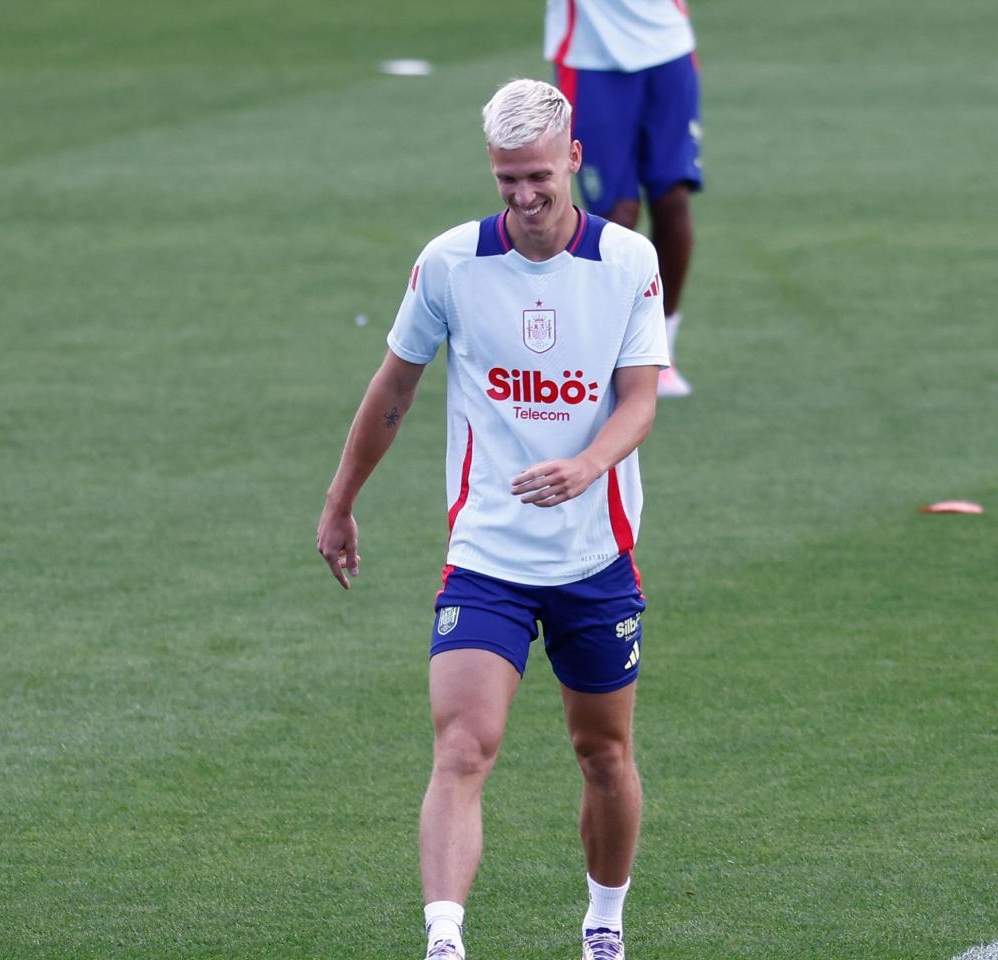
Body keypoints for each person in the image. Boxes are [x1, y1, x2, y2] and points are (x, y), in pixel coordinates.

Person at [315, 79, 667, 960]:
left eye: (539, 175)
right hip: (487, 559)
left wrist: (588, 466)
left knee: (603, 755)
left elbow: (639, 400)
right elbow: (393, 387)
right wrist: (340, 499)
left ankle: (604, 927)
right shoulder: (448, 264)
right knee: (464, 747)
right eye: (507, 178)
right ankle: (444, 941)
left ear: (574, 160)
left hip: (596, 558)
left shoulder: (628, 263)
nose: (523, 195)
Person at [546, 0, 701, 397]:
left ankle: (660, 352)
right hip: (592, 54)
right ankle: (604, 354)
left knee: (673, 199)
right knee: (617, 213)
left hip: (668, 48)